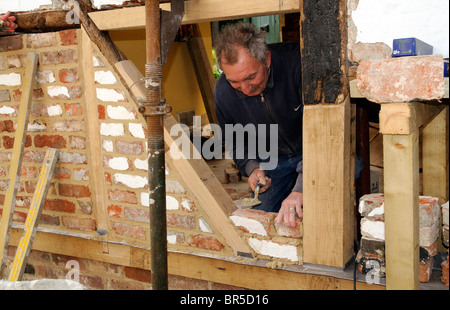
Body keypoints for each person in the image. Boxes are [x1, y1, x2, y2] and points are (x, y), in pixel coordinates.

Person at [214, 22, 303, 228]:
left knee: (322, 214)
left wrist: (300, 188)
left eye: (251, 77)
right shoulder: (223, 92)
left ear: (267, 59)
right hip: (274, 161)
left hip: (315, 154)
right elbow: (235, 141)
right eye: (235, 82)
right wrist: (253, 168)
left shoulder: (297, 64)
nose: (245, 89)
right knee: (260, 224)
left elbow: (324, 135)